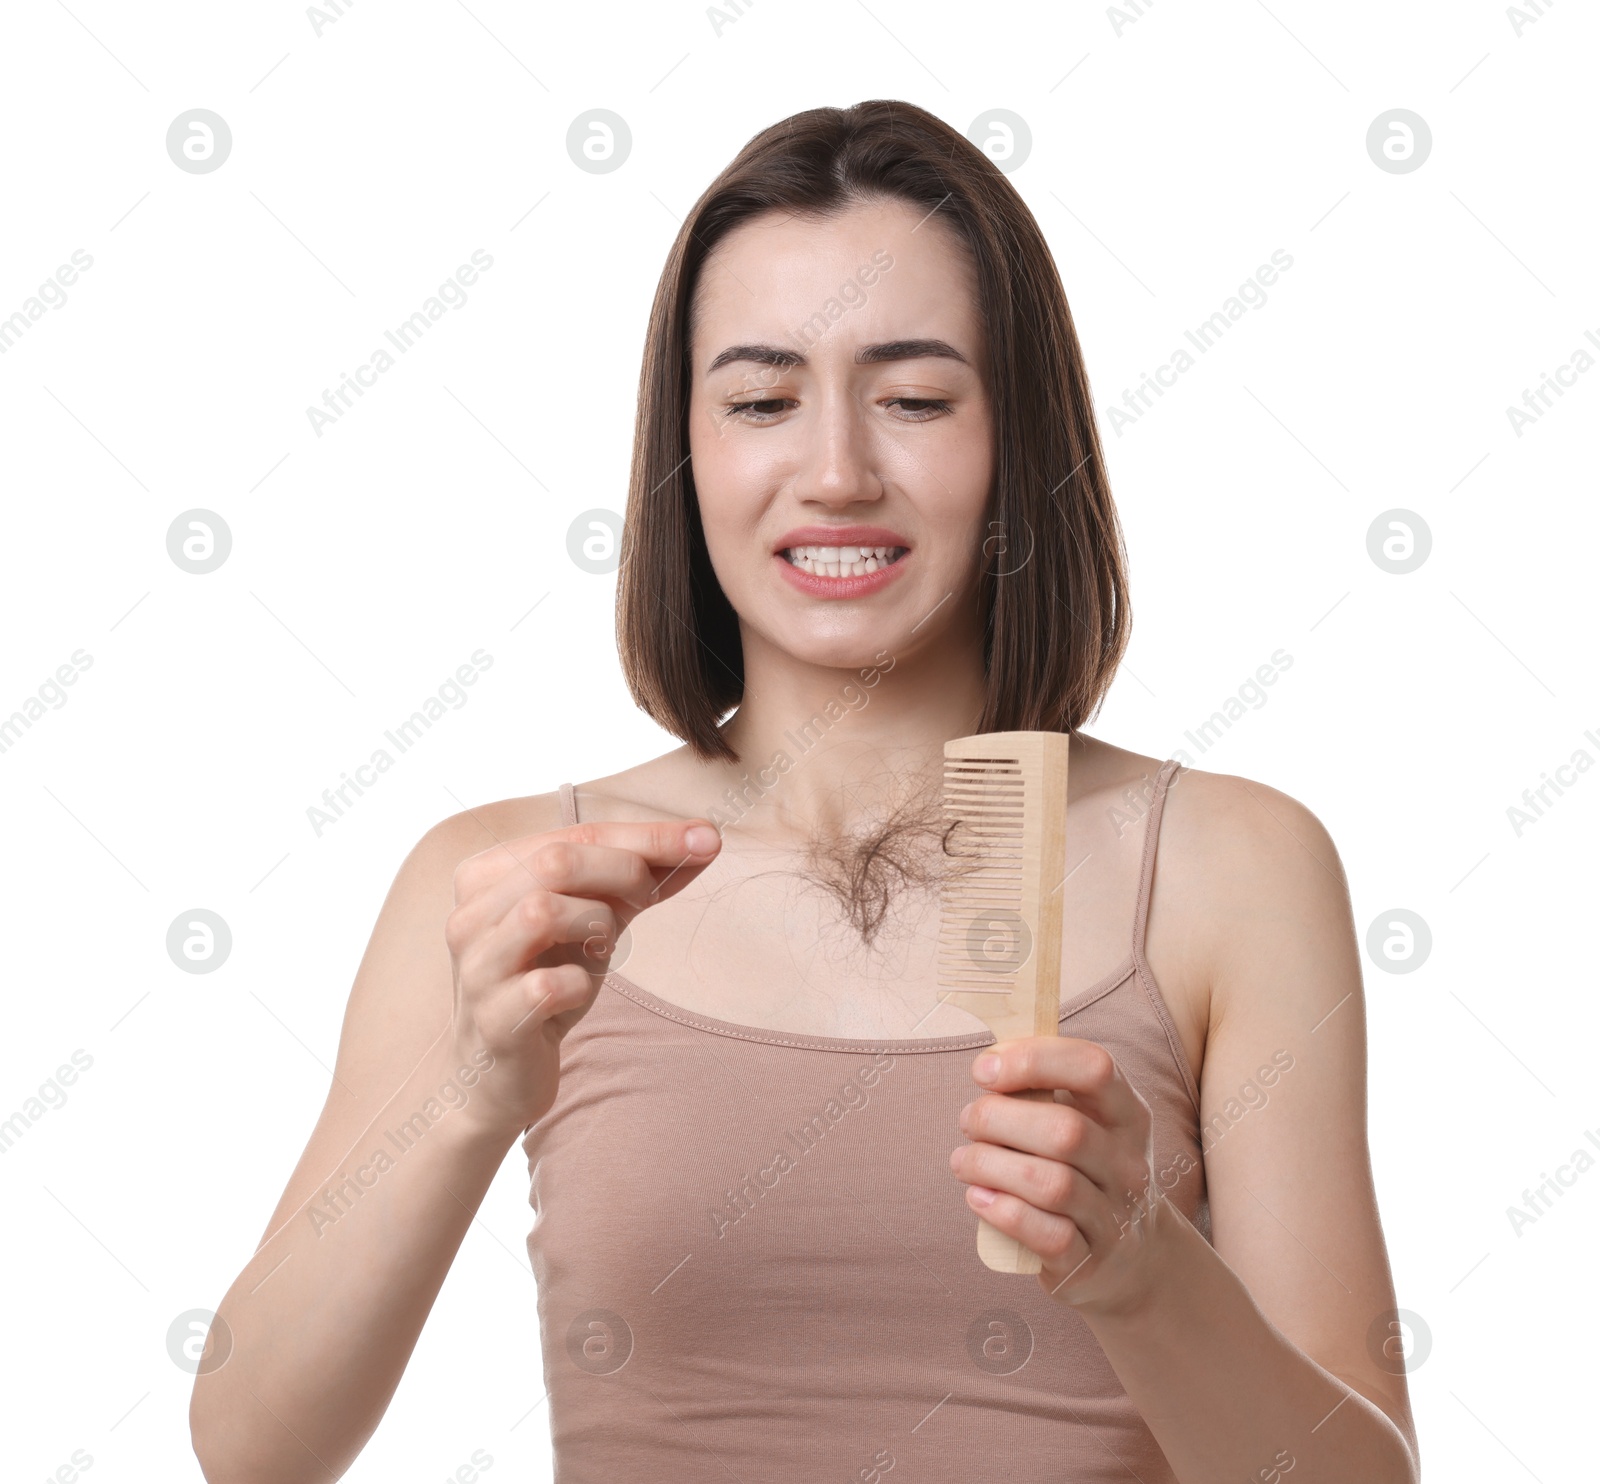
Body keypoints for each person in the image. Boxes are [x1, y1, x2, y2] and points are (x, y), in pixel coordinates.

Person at [191, 99, 1420, 1483]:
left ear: (1020, 441)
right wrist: (468, 1097)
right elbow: (249, 1449)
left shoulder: (1231, 870)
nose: (835, 473)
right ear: (687, 453)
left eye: (913, 399)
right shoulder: (510, 891)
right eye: (762, 402)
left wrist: (1142, 1269)